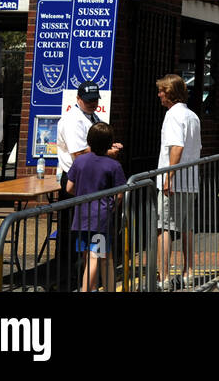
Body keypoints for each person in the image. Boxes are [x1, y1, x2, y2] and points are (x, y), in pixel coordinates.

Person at [56, 81, 121, 289]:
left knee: (92, 252)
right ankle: (80, 284)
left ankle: (89, 284)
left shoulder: (93, 117)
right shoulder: (73, 120)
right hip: (81, 183)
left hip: (85, 193)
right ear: (78, 99)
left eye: (95, 100)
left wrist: (108, 148)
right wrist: (109, 153)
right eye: (88, 100)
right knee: (94, 253)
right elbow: (78, 153)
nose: (93, 103)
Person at [66, 121, 126, 292]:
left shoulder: (80, 162)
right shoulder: (114, 165)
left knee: (91, 256)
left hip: (81, 217)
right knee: (97, 257)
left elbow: (69, 187)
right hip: (101, 218)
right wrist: (114, 206)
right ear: (109, 143)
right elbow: (120, 193)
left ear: (89, 140)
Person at [156, 74, 202, 290]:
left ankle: (163, 277)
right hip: (190, 180)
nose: (159, 95)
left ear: (170, 93)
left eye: (162, 91)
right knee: (187, 228)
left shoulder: (173, 116)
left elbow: (177, 147)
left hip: (173, 182)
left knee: (164, 228)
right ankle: (189, 272)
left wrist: (168, 177)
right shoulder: (193, 116)